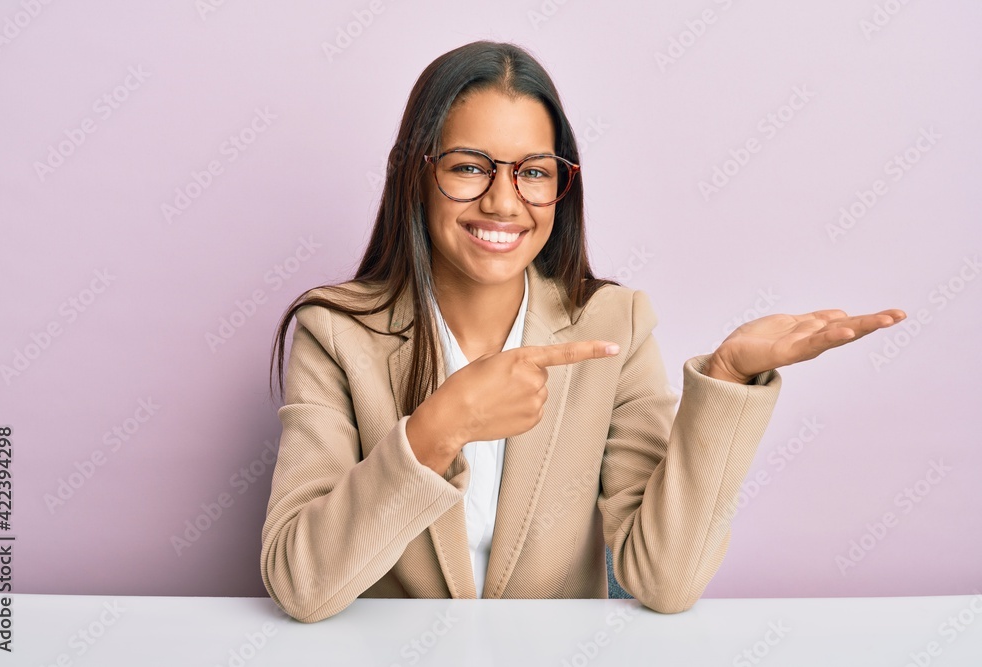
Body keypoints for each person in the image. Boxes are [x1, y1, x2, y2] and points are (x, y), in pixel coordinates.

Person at [260, 40, 905, 623]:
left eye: (534, 172)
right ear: (416, 174)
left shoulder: (615, 325)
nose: (504, 202)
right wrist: (440, 428)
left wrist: (729, 376)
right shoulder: (336, 333)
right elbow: (299, 583)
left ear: (560, 187)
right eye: (469, 167)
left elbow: (664, 579)